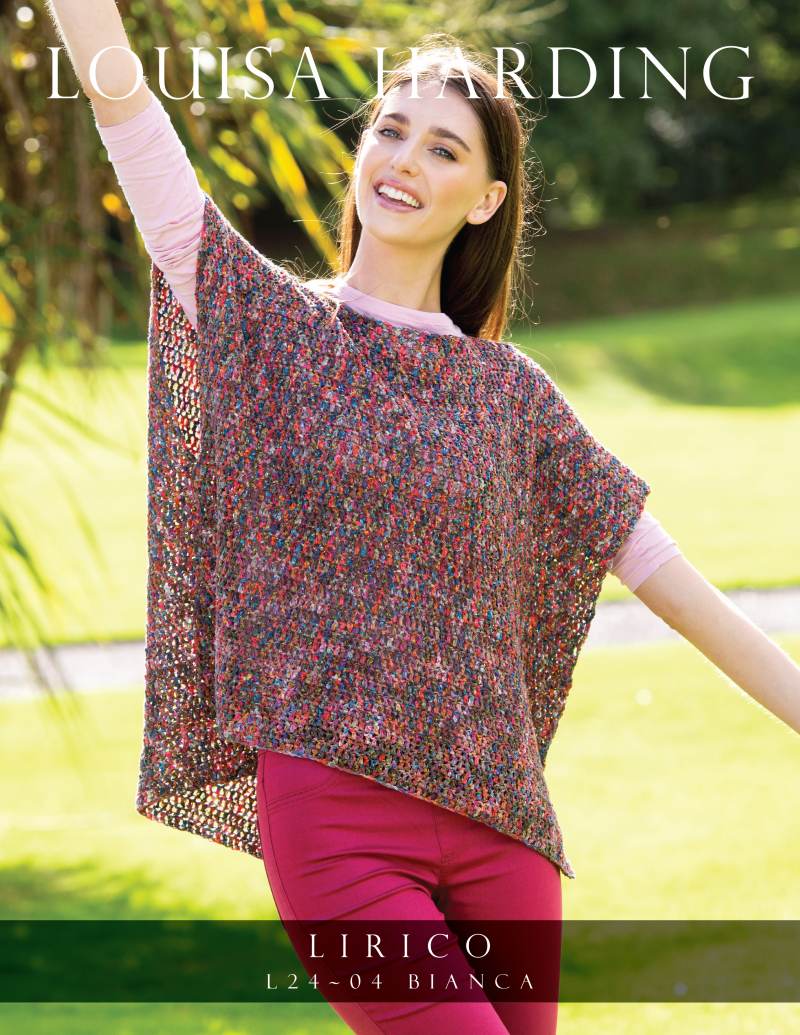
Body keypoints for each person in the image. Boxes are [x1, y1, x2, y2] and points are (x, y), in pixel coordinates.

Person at [47, 7, 800, 1033]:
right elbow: (122, 101)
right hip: (337, 826)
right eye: (390, 132)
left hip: (499, 821)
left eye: (443, 148)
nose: (404, 159)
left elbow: (672, 584)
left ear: (486, 199)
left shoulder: (510, 395)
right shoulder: (269, 326)